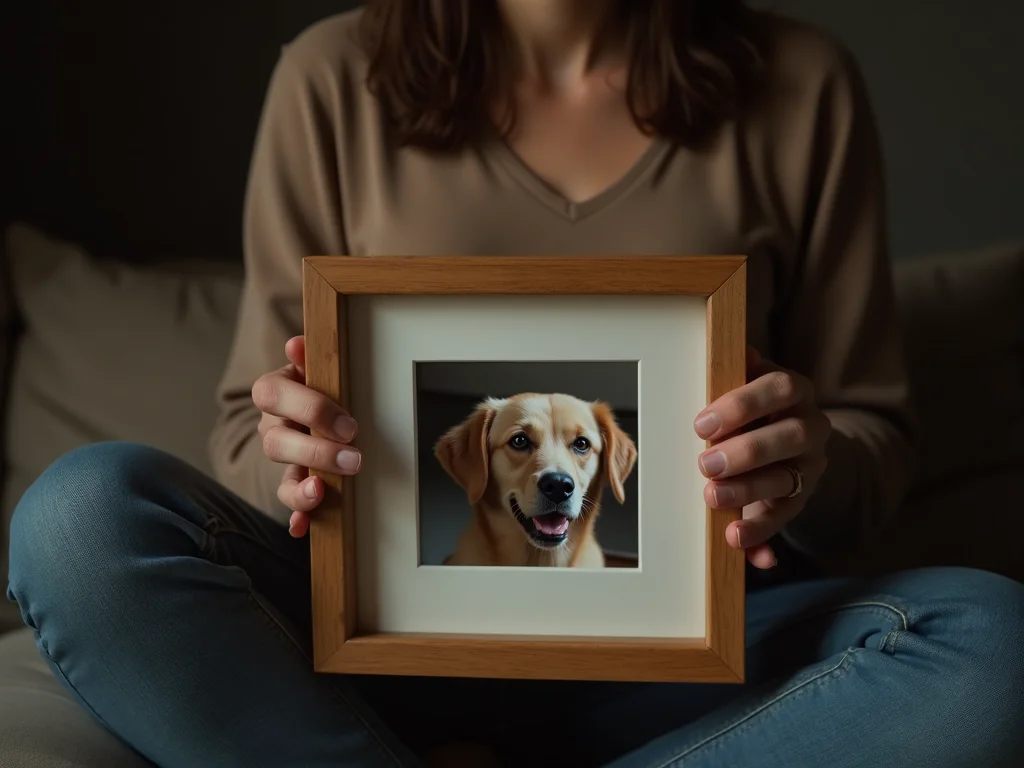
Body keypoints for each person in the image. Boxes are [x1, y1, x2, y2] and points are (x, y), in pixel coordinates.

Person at [7, 1, 1023, 766]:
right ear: (480, 456)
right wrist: (291, 459)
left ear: (607, 461)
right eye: (527, 446)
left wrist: (805, 463)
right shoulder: (330, 75)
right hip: (378, 649)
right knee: (77, 517)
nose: (554, 469)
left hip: (693, 659)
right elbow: (244, 427)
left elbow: (870, 440)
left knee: (990, 643)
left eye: (578, 446)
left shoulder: (804, 84)